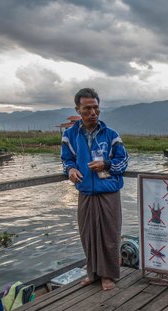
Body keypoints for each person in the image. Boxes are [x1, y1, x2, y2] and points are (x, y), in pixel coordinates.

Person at [61, 88, 129, 291]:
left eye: (96, 108)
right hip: (85, 192)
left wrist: (106, 165)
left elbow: (123, 161)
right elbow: (66, 160)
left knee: (110, 235)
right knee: (88, 234)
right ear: (78, 109)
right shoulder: (70, 136)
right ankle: (92, 273)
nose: (92, 112)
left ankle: (108, 276)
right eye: (87, 108)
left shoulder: (111, 134)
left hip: (108, 191)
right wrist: (71, 170)